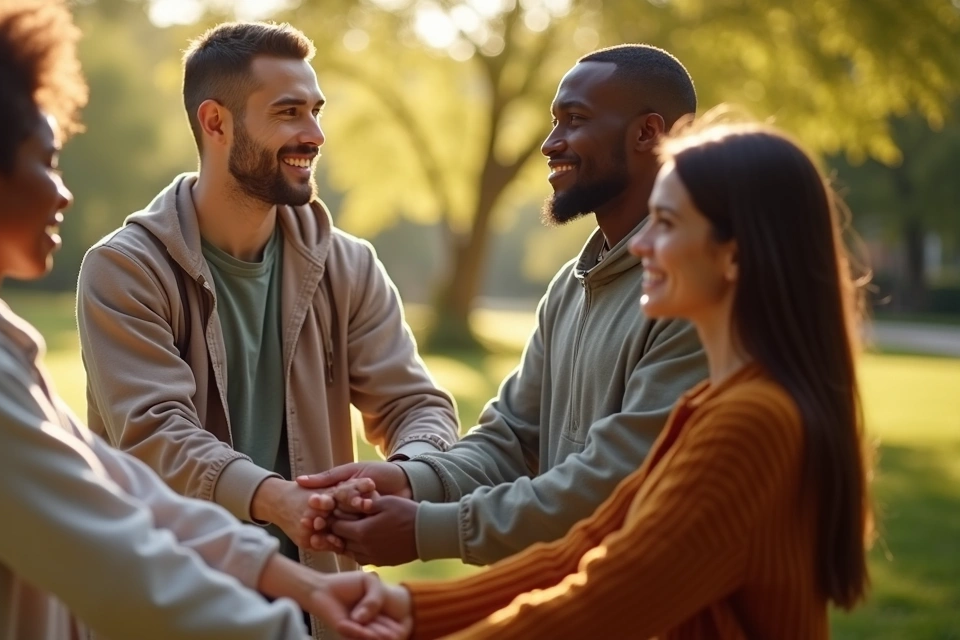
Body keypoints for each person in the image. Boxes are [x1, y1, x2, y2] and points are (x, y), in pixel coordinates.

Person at [0, 1, 408, 638]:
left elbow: (121, 487)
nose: (63, 192)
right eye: (46, 161)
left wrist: (306, 585)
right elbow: (114, 558)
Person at [369, 119, 875, 639]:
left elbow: (606, 601)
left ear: (733, 254)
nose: (639, 245)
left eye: (666, 223)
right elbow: (583, 550)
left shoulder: (751, 423)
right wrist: (405, 608)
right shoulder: (713, 404)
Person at [74, 19, 459, 590]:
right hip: (173, 603)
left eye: (316, 111)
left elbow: (415, 405)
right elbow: (157, 434)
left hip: (321, 604)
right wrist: (278, 500)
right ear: (216, 123)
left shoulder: (348, 265)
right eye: (288, 112)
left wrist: (402, 475)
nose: (315, 134)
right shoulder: (125, 269)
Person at [299, 44, 709, 567]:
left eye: (575, 120)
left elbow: (618, 483)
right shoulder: (570, 286)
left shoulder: (693, 292)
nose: (550, 144)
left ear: (649, 133)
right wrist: (409, 480)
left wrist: (428, 530)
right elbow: (510, 439)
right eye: (554, 121)